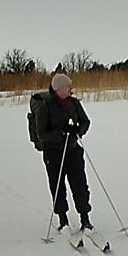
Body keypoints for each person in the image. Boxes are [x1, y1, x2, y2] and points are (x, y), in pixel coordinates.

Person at [35, 73, 93, 231]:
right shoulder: (45, 106)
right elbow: (41, 134)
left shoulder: (74, 103)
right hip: (53, 154)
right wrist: (60, 132)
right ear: (59, 88)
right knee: (57, 186)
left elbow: (85, 121)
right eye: (68, 86)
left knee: (80, 185)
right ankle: (63, 219)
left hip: (73, 150)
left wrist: (78, 130)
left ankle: (85, 219)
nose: (71, 88)